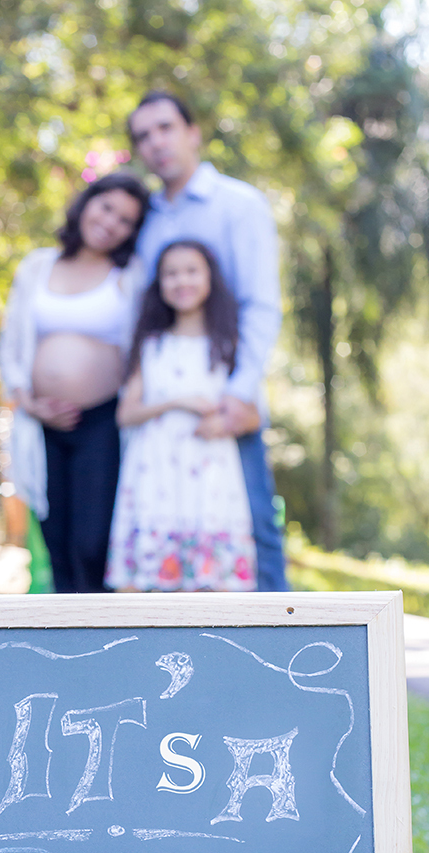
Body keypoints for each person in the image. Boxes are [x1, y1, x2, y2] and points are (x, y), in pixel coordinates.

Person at [128, 91, 288, 591]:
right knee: (174, 553)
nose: (156, 143)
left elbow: (261, 305)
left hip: (226, 401)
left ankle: (281, 641)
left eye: (166, 128)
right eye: (143, 136)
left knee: (253, 533)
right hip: (161, 426)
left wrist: (238, 394)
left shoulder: (238, 205)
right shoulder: (147, 222)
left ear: (193, 133)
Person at [0, 172, 149, 593]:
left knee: (93, 543)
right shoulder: (37, 266)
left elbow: (145, 349)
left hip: (102, 422)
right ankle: (68, 634)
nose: (111, 222)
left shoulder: (131, 275)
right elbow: (11, 344)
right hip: (41, 422)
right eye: (107, 207)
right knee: (57, 544)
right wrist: (28, 401)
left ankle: (106, 630)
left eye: (126, 220)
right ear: (86, 204)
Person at [107, 240, 255, 592]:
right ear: (159, 283)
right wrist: (176, 403)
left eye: (191, 271)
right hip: (154, 472)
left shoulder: (229, 344)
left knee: (212, 590)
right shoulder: (150, 344)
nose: (181, 281)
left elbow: (254, 416)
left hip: (210, 474)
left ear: (209, 278)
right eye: (171, 274)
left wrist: (224, 423)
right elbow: (125, 414)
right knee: (144, 591)